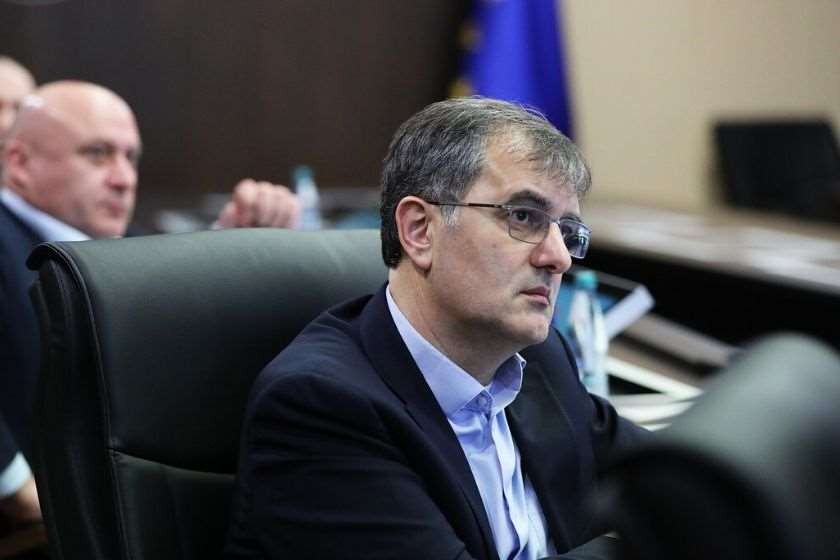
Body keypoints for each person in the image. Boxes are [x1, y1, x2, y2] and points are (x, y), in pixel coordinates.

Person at [224, 97, 648, 560]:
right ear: (420, 230)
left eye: (567, 233)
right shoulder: (320, 406)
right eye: (523, 216)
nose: (558, 258)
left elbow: (678, 474)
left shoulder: (537, 361)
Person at [0, 80, 301, 524]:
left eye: (131, 157)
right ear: (20, 162)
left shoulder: (123, 244)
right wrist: (14, 486)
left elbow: (156, 310)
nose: (124, 179)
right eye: (97, 154)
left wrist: (232, 246)